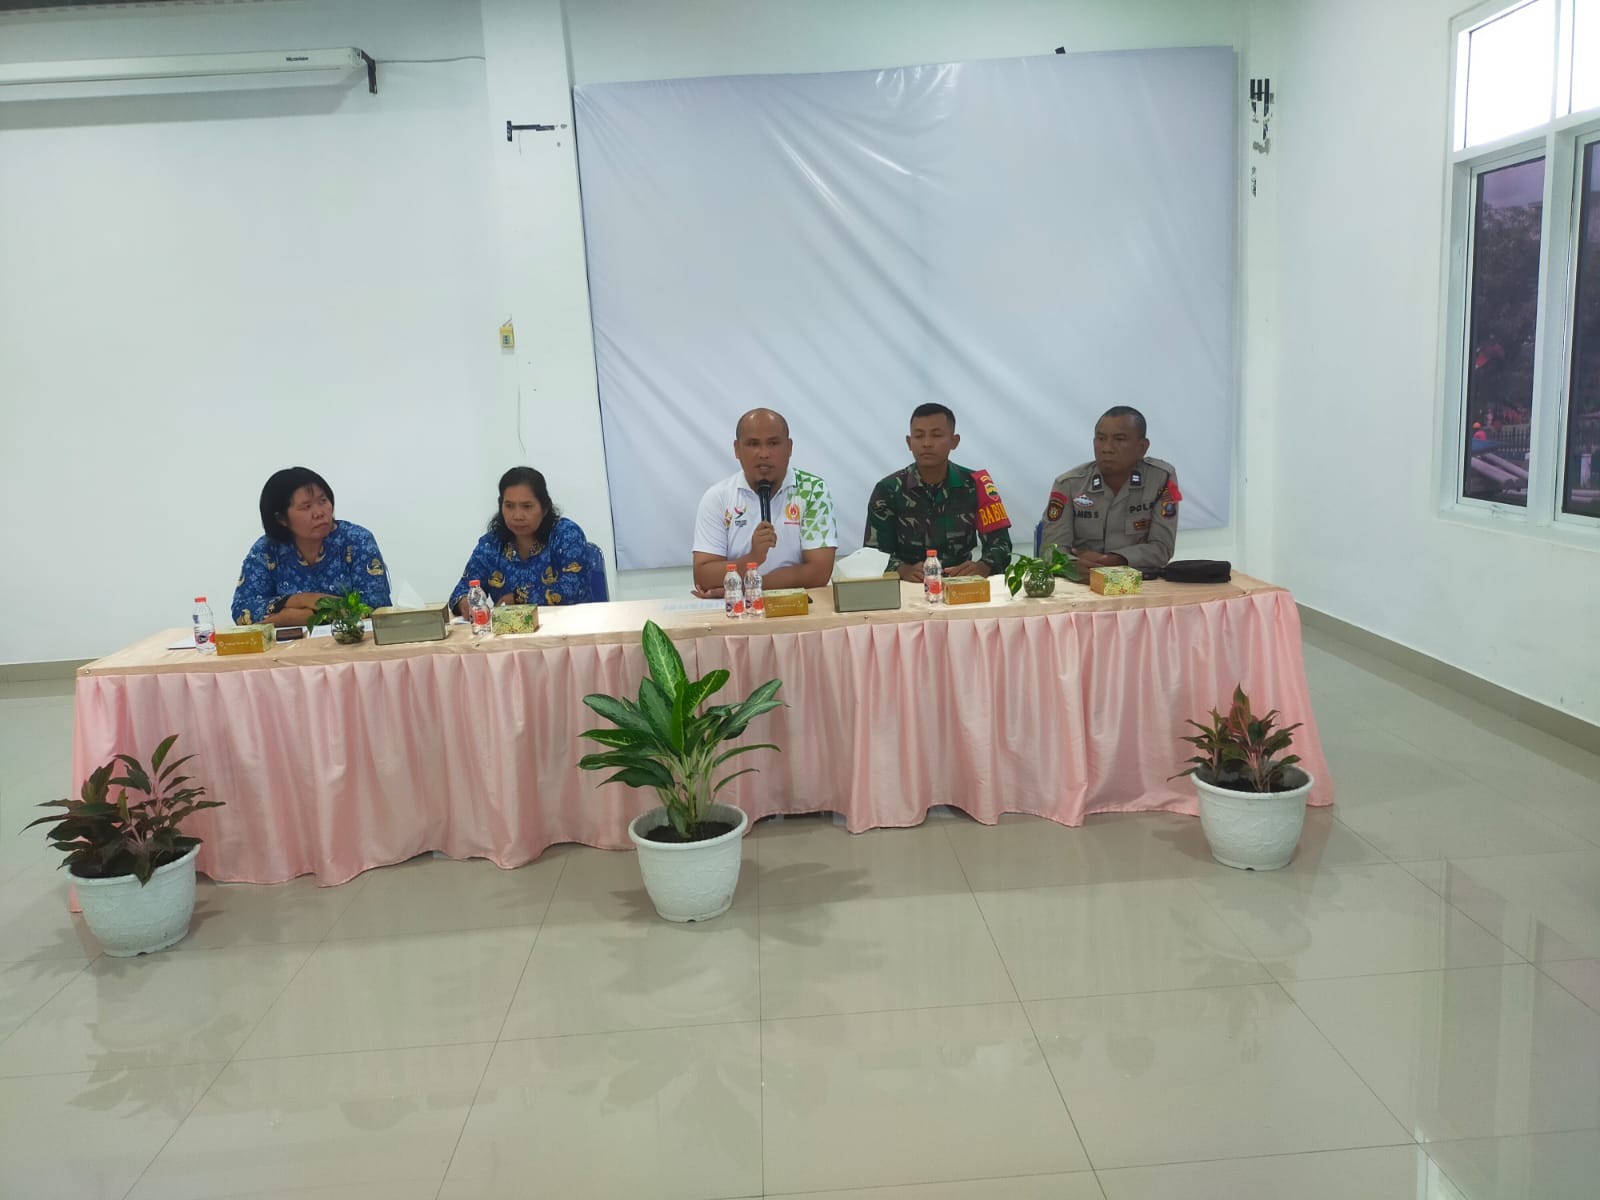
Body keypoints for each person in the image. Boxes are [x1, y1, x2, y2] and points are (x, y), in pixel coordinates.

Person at [692, 408, 837, 595]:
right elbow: (703, 576)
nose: (764, 454)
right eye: (753, 444)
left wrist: (746, 587)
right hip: (737, 613)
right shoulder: (718, 497)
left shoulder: (813, 491)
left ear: (789, 447)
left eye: (774, 443)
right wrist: (753, 558)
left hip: (797, 609)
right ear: (737, 449)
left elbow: (819, 573)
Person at [863, 403, 1013, 580]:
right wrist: (901, 570)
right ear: (909, 443)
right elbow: (872, 553)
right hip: (907, 588)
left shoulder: (977, 484)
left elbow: (1001, 544)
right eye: (919, 436)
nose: (926, 443)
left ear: (954, 441)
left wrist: (983, 566)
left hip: (961, 585)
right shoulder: (888, 489)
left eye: (936, 435)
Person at [232, 467, 392, 626]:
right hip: (289, 649)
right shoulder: (266, 550)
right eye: (306, 507)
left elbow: (377, 606)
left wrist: (304, 617)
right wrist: (303, 599)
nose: (319, 513)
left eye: (323, 501)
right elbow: (242, 609)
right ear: (281, 519)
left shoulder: (357, 540)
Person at [1039, 406, 1180, 572]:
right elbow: (1050, 551)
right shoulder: (1069, 484)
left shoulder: (1161, 478)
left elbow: (1162, 548)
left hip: (1139, 580)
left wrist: (1113, 560)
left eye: (1119, 440)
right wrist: (1073, 565)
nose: (1107, 448)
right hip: (1082, 582)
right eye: (1100, 439)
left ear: (1142, 447)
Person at [449, 466, 601, 612]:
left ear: (545, 507)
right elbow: (461, 591)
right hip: (509, 634)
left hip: (567, 628)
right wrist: (466, 603)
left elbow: (572, 590)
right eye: (509, 506)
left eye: (527, 506)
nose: (517, 516)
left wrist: (517, 598)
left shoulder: (566, 534)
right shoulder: (491, 544)